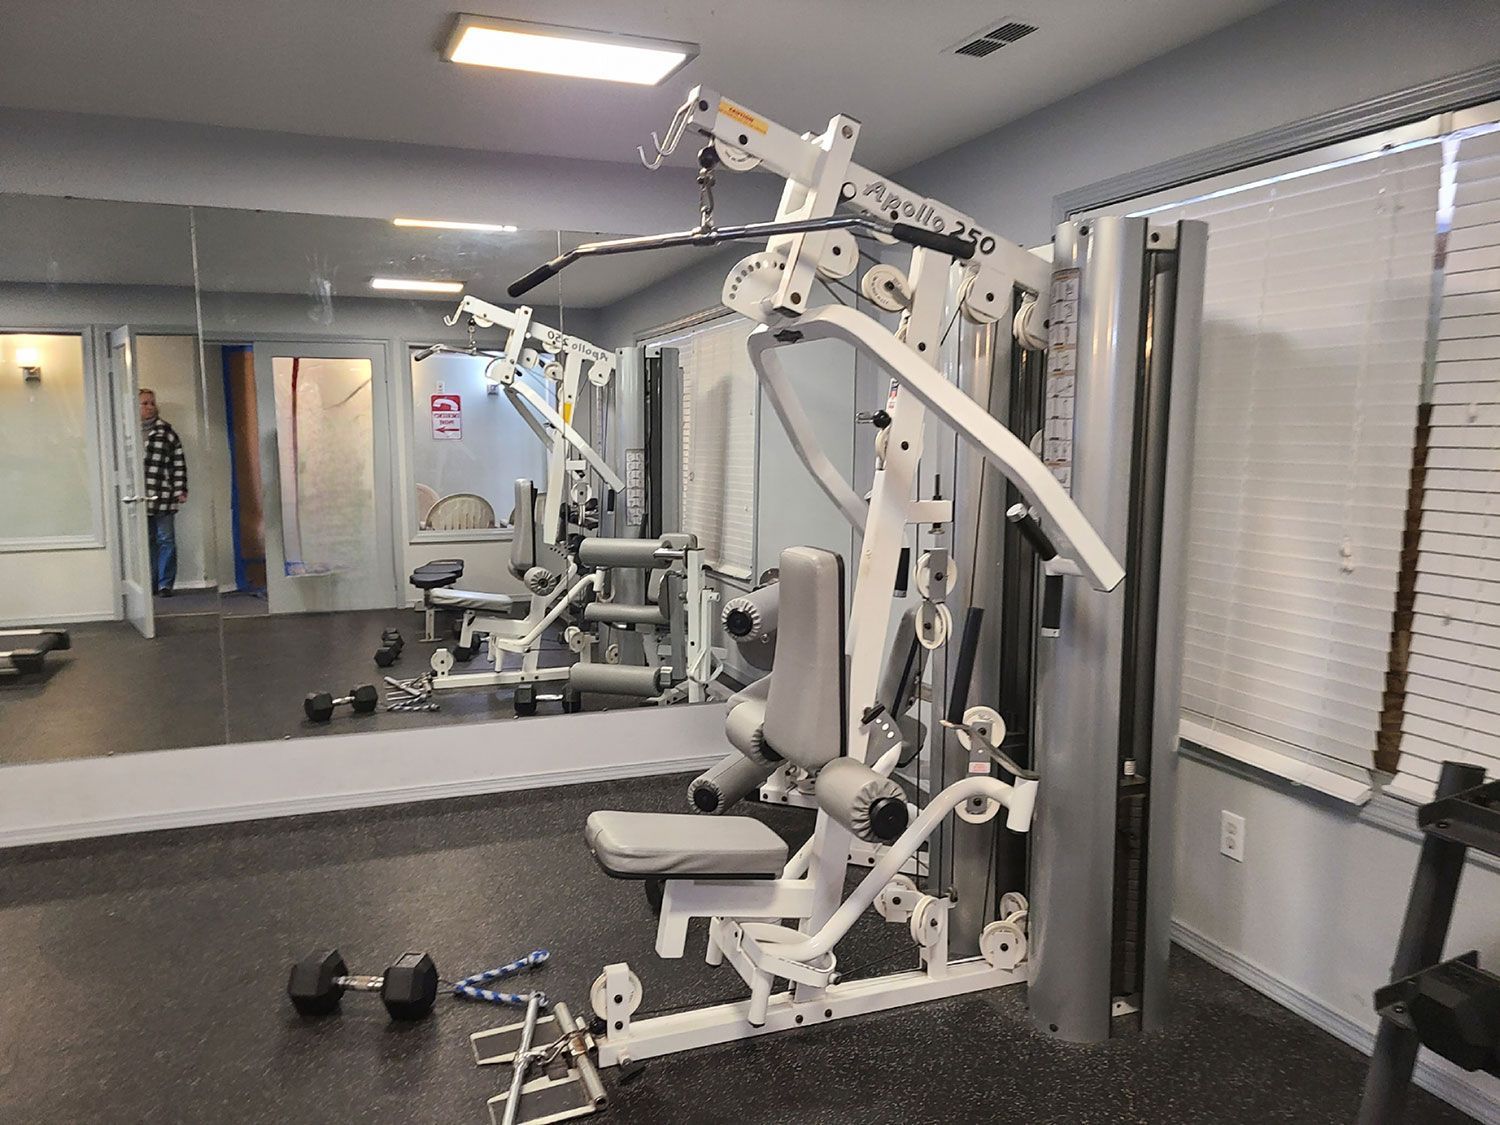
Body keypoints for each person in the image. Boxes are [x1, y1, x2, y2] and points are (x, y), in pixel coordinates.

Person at [139, 388, 188, 597]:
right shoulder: (125, 430)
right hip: (138, 497)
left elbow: (178, 463)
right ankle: (148, 583)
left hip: (162, 494)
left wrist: (180, 489)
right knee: (146, 540)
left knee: (166, 539)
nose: (150, 407)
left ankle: (165, 584)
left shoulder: (166, 432)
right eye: (145, 403)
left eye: (152, 403)